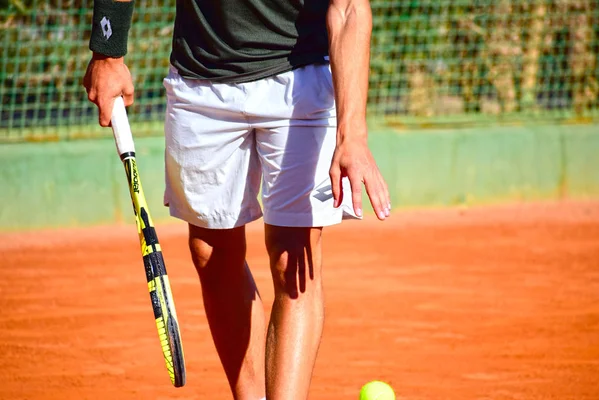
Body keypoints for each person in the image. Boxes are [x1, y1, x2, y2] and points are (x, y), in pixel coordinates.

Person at [84, 0, 390, 399]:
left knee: (294, 258)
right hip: (201, 76)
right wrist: (107, 49)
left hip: (299, 78)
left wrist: (353, 135)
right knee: (210, 251)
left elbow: (348, 7)